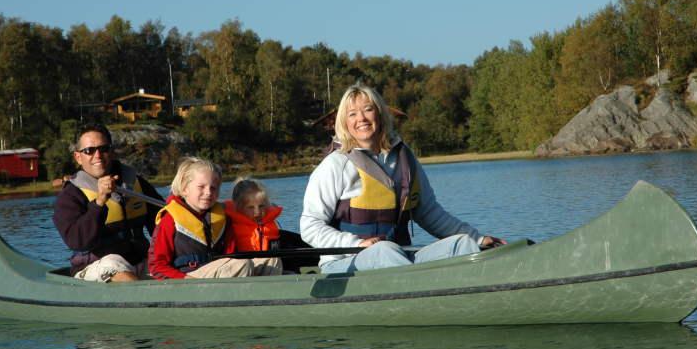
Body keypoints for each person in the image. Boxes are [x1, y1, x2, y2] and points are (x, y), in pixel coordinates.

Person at [300, 83, 505, 274]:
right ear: (345, 123)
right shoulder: (335, 164)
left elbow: (429, 212)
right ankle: (424, 297)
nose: (361, 118)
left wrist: (478, 237)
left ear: (379, 114)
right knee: (384, 252)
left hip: (399, 258)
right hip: (343, 264)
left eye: (368, 110)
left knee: (463, 244)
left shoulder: (405, 159)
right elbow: (309, 226)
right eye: (352, 114)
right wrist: (356, 243)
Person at [53, 124, 163, 282]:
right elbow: (77, 241)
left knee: (176, 267)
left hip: (138, 260)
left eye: (103, 149)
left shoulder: (135, 183)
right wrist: (99, 202)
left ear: (111, 152)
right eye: (89, 151)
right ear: (78, 157)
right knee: (118, 269)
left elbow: (163, 224)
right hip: (96, 265)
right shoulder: (70, 196)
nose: (97, 155)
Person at [148, 157, 255, 279]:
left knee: (272, 261)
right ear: (184, 189)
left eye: (213, 188)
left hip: (217, 273)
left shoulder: (224, 219)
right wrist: (185, 280)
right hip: (187, 280)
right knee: (241, 265)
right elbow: (156, 266)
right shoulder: (169, 220)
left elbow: (231, 255)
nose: (208, 192)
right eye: (201, 187)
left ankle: (271, 298)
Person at [224, 177, 284, 276]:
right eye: (250, 207)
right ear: (238, 207)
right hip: (243, 268)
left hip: (268, 266)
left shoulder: (272, 224)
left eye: (261, 206)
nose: (257, 212)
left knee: (275, 261)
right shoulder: (230, 225)